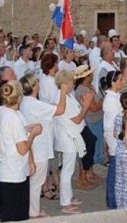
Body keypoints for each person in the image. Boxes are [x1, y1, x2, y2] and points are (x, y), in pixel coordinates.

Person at [19, 73, 71, 218]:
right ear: (34, 87)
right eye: (37, 83)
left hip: (36, 147)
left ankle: (32, 209)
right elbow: (60, 110)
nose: (39, 84)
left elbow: (48, 108)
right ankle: (33, 212)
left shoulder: (27, 101)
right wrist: (63, 92)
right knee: (36, 183)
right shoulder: (33, 103)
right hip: (39, 148)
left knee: (35, 182)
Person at [0, 80, 42, 222]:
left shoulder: (1, 111)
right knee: (16, 214)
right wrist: (33, 134)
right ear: (20, 97)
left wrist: (27, 130)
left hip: (8, 168)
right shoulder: (14, 117)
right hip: (13, 171)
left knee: (11, 211)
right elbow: (22, 149)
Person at [53, 69, 92, 214]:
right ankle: (65, 202)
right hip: (68, 137)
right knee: (67, 171)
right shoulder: (61, 96)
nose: (72, 83)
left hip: (71, 135)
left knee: (69, 170)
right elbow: (77, 118)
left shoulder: (66, 95)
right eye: (70, 81)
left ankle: (68, 196)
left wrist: (82, 106)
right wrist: (86, 106)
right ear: (64, 83)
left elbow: (76, 113)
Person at [73, 66, 102, 185]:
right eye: (90, 74)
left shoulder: (89, 87)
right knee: (85, 149)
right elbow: (93, 107)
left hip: (95, 120)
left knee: (92, 148)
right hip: (89, 121)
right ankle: (82, 176)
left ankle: (90, 171)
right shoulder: (81, 90)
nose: (92, 75)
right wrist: (103, 103)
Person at [101, 70, 123, 209]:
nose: (123, 82)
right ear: (114, 82)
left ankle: (114, 198)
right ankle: (112, 201)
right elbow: (115, 123)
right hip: (114, 138)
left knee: (117, 170)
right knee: (114, 171)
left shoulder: (116, 96)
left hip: (117, 137)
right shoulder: (110, 100)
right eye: (120, 80)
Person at [114, 92, 127, 209]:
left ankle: (119, 207)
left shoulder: (118, 115)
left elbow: (115, 133)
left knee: (119, 182)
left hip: (119, 151)